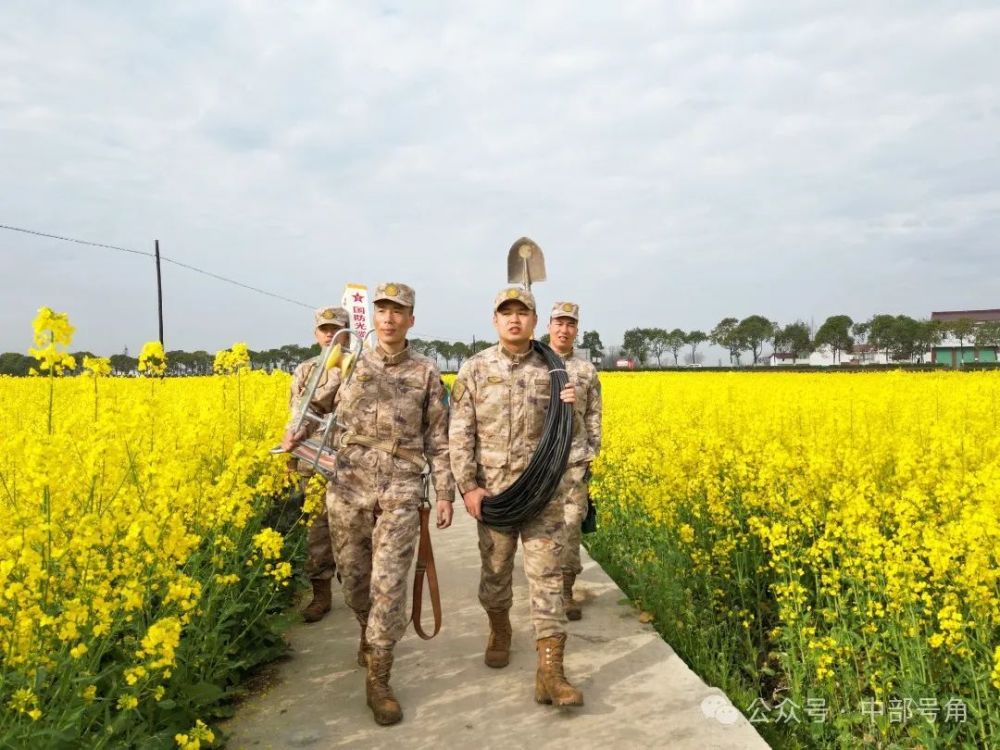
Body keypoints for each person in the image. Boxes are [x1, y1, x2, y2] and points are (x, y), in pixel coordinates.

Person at [449, 286, 585, 708]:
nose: (514, 319)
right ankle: (500, 627)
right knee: (495, 576)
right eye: (505, 313)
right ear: (495, 321)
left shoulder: (555, 369)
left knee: (547, 577)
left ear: (533, 319)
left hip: (543, 494)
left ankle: (551, 672)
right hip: (496, 498)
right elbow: (460, 432)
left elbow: (572, 434)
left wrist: (573, 408)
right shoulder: (474, 369)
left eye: (522, 312)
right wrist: (468, 486)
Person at [326, 282, 454, 726]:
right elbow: (312, 407)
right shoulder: (349, 363)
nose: (389, 318)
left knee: (389, 584)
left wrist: (443, 494)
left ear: (411, 320)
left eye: (398, 311)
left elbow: (440, 440)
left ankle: (379, 678)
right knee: (355, 579)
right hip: (349, 485)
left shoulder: (426, 373)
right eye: (382, 309)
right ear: (372, 316)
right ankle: (365, 629)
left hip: (401, 487)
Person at [281, 305, 349, 623]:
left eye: (337, 329)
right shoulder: (306, 370)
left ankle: (359, 588)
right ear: (316, 333)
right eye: (325, 329)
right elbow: (298, 412)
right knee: (317, 531)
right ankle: (321, 594)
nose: (330, 335)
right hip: (313, 461)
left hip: (352, 463)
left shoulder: (361, 367)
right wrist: (291, 459)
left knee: (357, 530)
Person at [546, 301, 602, 620]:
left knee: (570, 531)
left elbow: (594, 413)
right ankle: (545, 590)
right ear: (549, 325)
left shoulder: (585, 371)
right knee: (540, 535)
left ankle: (566, 592)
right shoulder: (535, 363)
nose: (564, 329)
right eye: (559, 323)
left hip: (574, 466)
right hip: (539, 469)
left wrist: (592, 449)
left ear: (576, 330)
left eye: (570, 324)